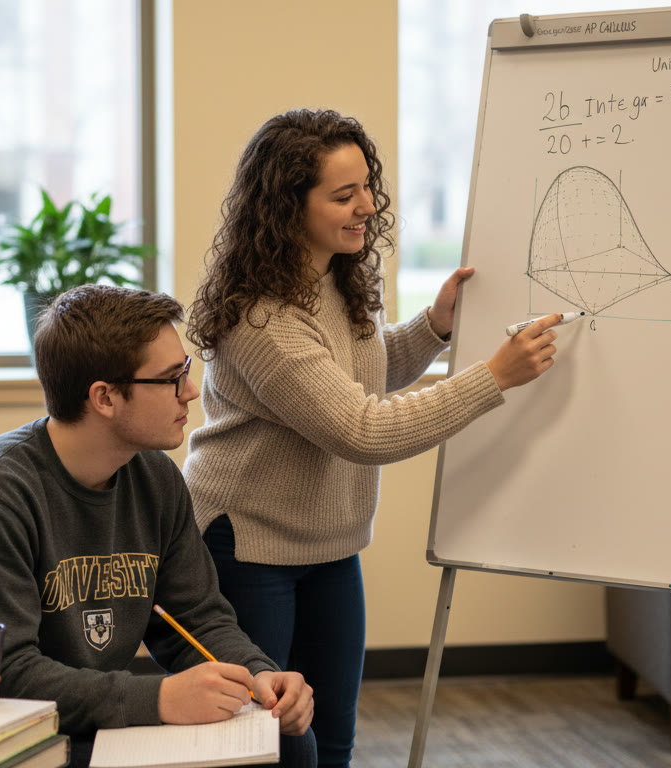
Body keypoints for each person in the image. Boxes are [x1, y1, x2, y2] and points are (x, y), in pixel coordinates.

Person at [182, 108, 562, 767]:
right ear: (286, 205)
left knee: (333, 741)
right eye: (343, 194)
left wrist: (434, 327)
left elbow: (360, 371)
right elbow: (361, 429)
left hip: (329, 545)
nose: (367, 206)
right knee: (265, 748)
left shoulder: (336, 276)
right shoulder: (260, 316)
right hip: (245, 547)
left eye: (368, 187)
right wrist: (492, 378)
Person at [0, 285, 316, 768]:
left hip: (90, 719)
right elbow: (5, 672)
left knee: (289, 743)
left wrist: (260, 677)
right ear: (105, 397)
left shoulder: (155, 475)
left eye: (186, 371)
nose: (191, 390)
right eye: (171, 378)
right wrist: (157, 699)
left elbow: (197, 618)